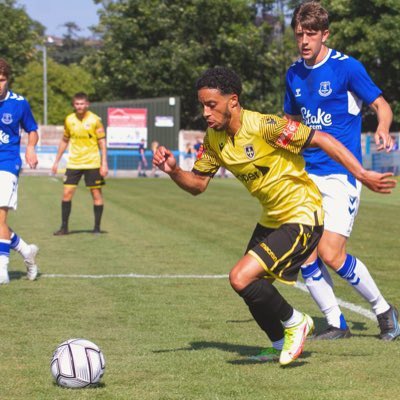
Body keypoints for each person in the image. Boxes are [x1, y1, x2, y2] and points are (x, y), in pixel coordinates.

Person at [153, 67, 396, 365]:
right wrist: (174, 171)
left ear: (233, 101)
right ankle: (280, 343)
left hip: (303, 215)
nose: (205, 112)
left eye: (211, 104)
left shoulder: (266, 126)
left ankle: (297, 322)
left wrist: (361, 173)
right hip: (272, 218)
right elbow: (198, 185)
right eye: (202, 105)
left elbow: (320, 139)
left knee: (240, 276)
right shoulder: (214, 139)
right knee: (250, 286)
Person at [284, 1, 400, 341]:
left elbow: (381, 105)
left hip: (342, 175)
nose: (304, 40)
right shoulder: (293, 74)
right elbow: (291, 122)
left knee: (331, 253)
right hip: (307, 175)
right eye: (299, 34)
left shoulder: (347, 68)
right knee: (304, 254)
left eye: (311, 34)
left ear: (325, 34)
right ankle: (336, 323)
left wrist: (382, 126)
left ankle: (384, 311)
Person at [0, 58, 39, 284]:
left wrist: (31, 147)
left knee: (0, 216)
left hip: (7, 163)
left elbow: (32, 129)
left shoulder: (19, 103)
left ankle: (2, 269)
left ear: (8, 79)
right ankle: (26, 251)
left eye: (2, 79)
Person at [52, 92, 108, 235]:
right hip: (74, 163)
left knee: (96, 193)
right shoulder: (69, 120)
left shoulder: (95, 120)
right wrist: (56, 161)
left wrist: (104, 163)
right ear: (74, 105)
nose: (79, 106)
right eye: (77, 104)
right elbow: (65, 140)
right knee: (67, 193)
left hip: (92, 163)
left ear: (87, 104)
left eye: (82, 103)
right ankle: (64, 228)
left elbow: (102, 142)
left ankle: (96, 228)